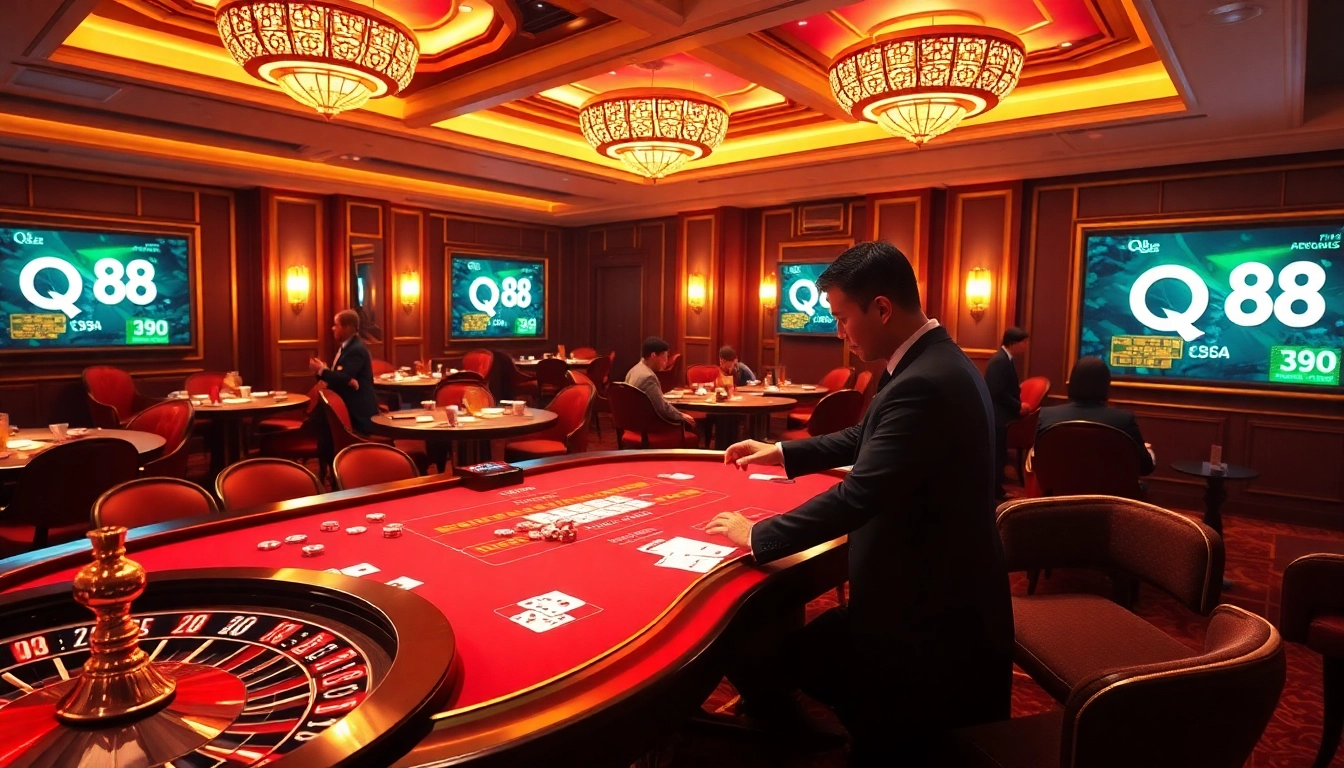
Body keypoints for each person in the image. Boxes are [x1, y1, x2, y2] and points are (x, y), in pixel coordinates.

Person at [706, 241, 1013, 765]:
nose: (839, 332)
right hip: (931, 594)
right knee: (805, 660)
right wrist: (780, 450)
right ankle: (795, 723)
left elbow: (860, 493)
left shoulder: (925, 381)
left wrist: (757, 534)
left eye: (842, 318)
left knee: (872, 724)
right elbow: (867, 436)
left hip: (924, 620)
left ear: (882, 308)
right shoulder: (930, 360)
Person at [1038, 356, 1155, 474]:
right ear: (1106, 385)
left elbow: (1037, 461)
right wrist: (1146, 450)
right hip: (1110, 491)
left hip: (1059, 490)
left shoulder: (1046, 415)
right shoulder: (1124, 420)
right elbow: (1145, 467)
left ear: (1072, 383)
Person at [308, 309, 379, 434]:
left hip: (356, 413)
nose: (333, 328)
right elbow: (343, 378)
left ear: (348, 327)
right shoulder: (347, 347)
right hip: (346, 406)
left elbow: (343, 376)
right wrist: (324, 371)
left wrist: (322, 370)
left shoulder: (356, 349)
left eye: (336, 325)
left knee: (321, 422)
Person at [985, 327, 1028, 500]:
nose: (1026, 346)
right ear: (1013, 343)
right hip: (998, 417)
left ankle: (998, 490)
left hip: (1002, 416)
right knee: (997, 457)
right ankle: (995, 494)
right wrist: (1018, 407)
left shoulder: (1005, 359)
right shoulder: (1000, 361)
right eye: (1024, 343)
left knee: (1000, 456)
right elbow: (996, 391)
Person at [624, 336, 696, 430]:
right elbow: (662, 409)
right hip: (647, 428)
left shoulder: (633, 370)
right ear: (653, 355)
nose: (665, 362)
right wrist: (682, 416)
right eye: (664, 358)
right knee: (690, 425)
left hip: (632, 424)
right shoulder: (648, 377)